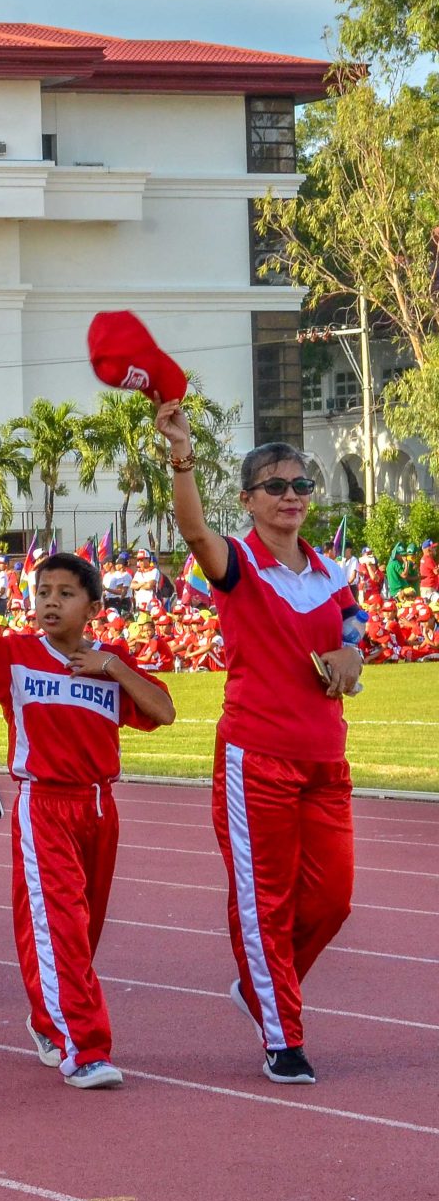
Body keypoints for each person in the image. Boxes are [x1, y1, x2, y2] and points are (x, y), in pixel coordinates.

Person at [158, 402, 362, 1085]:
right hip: (257, 758)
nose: (291, 497)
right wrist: (182, 456)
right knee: (264, 901)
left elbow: (353, 623)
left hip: (325, 759)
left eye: (301, 484)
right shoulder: (237, 562)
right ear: (246, 500)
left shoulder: (330, 572)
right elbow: (191, 527)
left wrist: (352, 654)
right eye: (275, 486)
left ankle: (264, 987)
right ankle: (283, 1037)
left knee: (333, 899)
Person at [0, 552, 174, 1090]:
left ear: (94, 605)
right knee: (58, 925)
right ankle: (84, 1047)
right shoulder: (14, 653)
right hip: (44, 805)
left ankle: (48, 1020)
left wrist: (112, 667)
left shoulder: (113, 658)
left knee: (82, 932)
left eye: (65, 593)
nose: (50, 602)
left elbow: (163, 712)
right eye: (43, 593)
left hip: (100, 807)